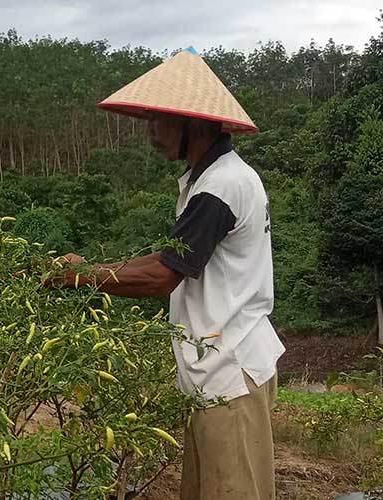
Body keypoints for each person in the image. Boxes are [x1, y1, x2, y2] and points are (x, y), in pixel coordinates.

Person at [48, 48, 285, 500]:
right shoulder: (208, 180)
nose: (151, 131)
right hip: (215, 372)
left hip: (229, 375)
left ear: (194, 125)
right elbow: (170, 258)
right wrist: (88, 269)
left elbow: (162, 277)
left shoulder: (221, 187)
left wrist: (78, 280)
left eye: (158, 120)